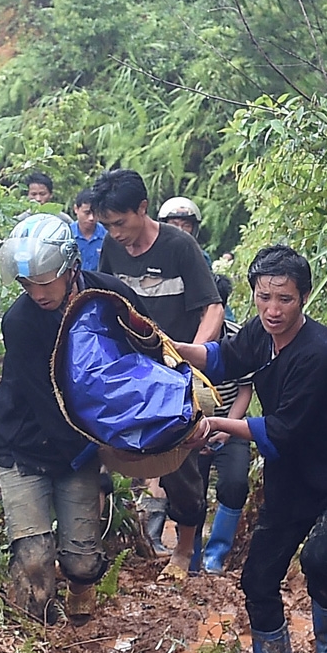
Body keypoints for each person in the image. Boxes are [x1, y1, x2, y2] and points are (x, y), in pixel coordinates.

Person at [172, 244, 327, 653]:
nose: (272, 309)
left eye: (284, 299)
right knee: (256, 578)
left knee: (318, 557)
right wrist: (171, 347)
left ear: (303, 298)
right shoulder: (261, 333)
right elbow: (223, 358)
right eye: (264, 297)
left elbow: (283, 429)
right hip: (291, 479)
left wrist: (213, 423)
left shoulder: (318, 353)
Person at [0, 213, 148, 624]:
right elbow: (45, 401)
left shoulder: (108, 295)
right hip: (25, 444)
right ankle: (38, 639)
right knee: (33, 560)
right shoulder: (21, 321)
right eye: (28, 284)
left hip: (80, 442)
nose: (37, 292)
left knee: (81, 561)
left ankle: (82, 594)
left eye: (45, 281)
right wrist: (103, 451)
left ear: (70, 267)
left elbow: (147, 348)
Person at [92, 169, 224, 580]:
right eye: (107, 226)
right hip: (130, 373)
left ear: (143, 209)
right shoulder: (112, 252)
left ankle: (184, 551)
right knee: (100, 450)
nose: (115, 234)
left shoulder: (180, 247)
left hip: (173, 376)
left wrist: (192, 360)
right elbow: (104, 305)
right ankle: (103, 544)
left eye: (120, 223)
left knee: (180, 465)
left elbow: (213, 308)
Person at [194, 273, 252, 575]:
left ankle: (215, 553)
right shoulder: (184, 338)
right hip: (190, 429)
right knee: (191, 491)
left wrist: (227, 427)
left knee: (234, 484)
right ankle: (188, 554)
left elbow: (245, 389)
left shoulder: (238, 338)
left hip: (230, 425)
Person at [70, 187, 107, 271]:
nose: (91, 218)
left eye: (95, 213)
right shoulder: (66, 235)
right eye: (87, 213)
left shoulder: (107, 236)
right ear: (76, 209)